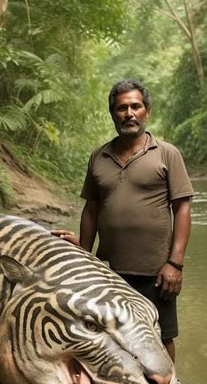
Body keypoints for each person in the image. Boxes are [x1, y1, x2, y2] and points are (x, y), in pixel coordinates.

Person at [53, 79, 194, 362]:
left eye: (135, 106)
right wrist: (82, 251)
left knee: (161, 336)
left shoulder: (167, 153)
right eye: (121, 108)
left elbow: (183, 208)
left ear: (147, 111)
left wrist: (175, 263)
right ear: (113, 114)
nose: (129, 113)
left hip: (156, 273)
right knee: (111, 337)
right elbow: (92, 209)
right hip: (108, 272)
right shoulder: (99, 156)